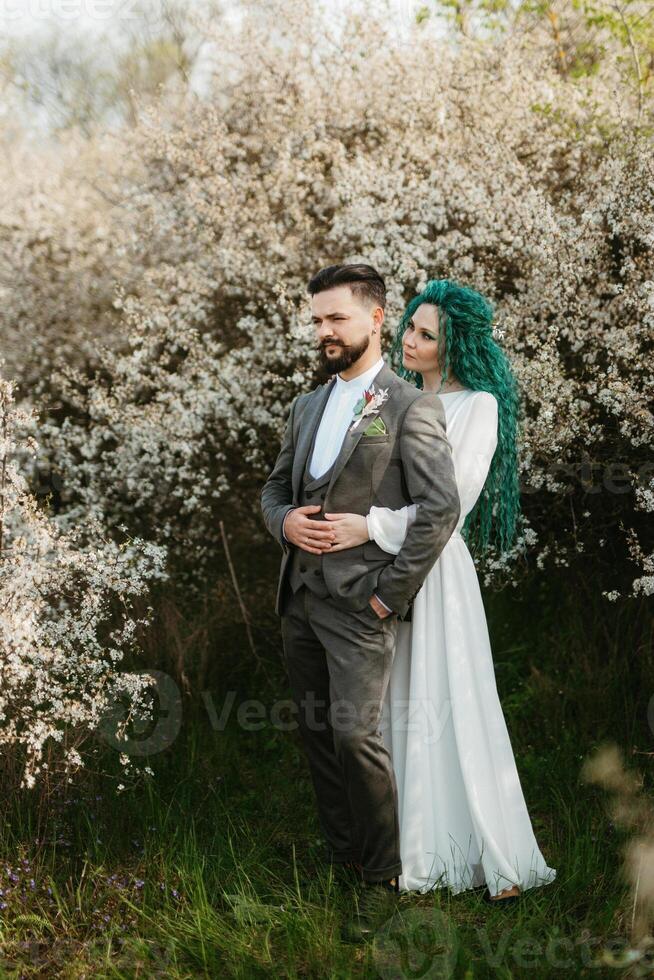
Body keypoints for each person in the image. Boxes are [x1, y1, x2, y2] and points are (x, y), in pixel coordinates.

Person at [323, 279, 557, 901]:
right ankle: (399, 848)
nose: (412, 341)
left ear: (454, 346)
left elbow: (450, 506)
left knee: (446, 697)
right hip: (376, 566)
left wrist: (368, 525)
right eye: (411, 328)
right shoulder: (387, 398)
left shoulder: (477, 406)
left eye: (429, 335)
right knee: (393, 702)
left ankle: (474, 849)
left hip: (433, 567)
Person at [260, 264, 460, 938]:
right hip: (300, 600)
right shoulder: (305, 406)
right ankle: (342, 862)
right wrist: (282, 522)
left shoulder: (408, 406)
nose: (323, 331)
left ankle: (381, 880)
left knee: (356, 738)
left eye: (336, 318)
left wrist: (387, 599)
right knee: (316, 735)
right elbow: (273, 491)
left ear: (376, 319)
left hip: (360, 605)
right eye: (316, 319)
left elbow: (439, 509)